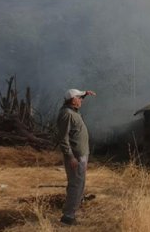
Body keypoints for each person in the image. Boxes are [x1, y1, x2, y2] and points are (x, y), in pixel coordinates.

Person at [56, 88, 96, 225]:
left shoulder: (72, 111)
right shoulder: (67, 114)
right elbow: (63, 138)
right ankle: (68, 217)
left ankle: (72, 210)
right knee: (76, 185)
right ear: (73, 100)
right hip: (76, 157)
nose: (81, 100)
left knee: (78, 184)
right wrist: (70, 157)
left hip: (81, 156)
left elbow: (77, 97)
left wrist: (85, 94)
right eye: (79, 98)